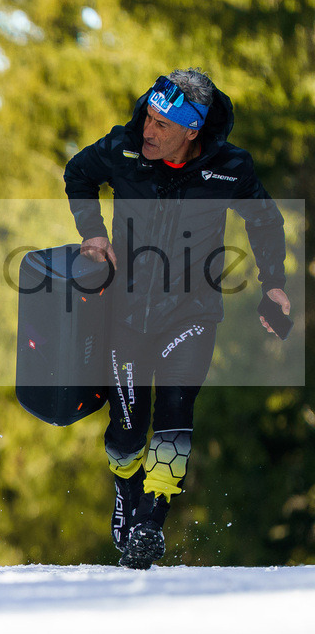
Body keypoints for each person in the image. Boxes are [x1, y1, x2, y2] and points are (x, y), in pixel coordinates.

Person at [64, 68, 289, 569]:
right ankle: (126, 492)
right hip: (124, 312)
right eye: (148, 115)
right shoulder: (122, 149)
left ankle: (150, 522)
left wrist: (272, 282)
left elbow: (264, 219)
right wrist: (94, 232)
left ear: (192, 131)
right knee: (126, 430)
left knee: (175, 408)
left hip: (192, 313)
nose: (148, 129)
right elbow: (77, 174)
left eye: (163, 124)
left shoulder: (231, 167)